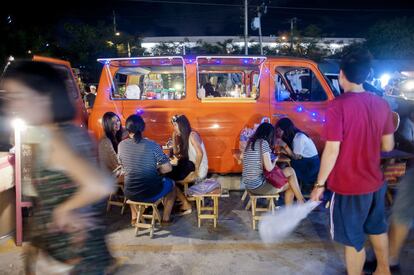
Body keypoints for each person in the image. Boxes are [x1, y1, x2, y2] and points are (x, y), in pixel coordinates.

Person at [1, 61, 115, 274]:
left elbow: (101, 184)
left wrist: (64, 209)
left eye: (17, 97)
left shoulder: (57, 138)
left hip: (74, 258)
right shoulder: (68, 131)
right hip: (73, 252)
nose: (12, 105)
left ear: (44, 97)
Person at [310, 49, 395, 275]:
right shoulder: (382, 104)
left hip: (349, 186)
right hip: (376, 182)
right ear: (366, 75)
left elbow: (331, 150)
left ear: (341, 75)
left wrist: (319, 185)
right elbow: (387, 146)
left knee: (353, 239)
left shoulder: (338, 106)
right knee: (377, 227)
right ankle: (383, 270)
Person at [118, 114, 188, 225]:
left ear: (127, 129)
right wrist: (155, 170)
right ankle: (165, 219)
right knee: (172, 185)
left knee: (131, 182)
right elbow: (168, 168)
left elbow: (124, 165)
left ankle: (134, 217)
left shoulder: (121, 145)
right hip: (149, 192)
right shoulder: (151, 145)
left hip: (129, 193)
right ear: (143, 128)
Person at [242, 122, 305, 205]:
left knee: (290, 170)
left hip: (249, 185)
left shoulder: (250, 143)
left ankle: (301, 202)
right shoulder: (263, 143)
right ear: (270, 134)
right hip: (258, 187)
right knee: (291, 184)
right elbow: (269, 168)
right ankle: (297, 207)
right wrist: (275, 160)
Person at [274, 118, 320, 192]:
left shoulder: (299, 137)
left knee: (286, 167)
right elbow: (295, 154)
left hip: (310, 167)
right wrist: (283, 150)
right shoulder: (295, 137)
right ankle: (288, 188)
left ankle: (289, 188)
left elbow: (296, 157)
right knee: (283, 165)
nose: (278, 133)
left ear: (286, 130)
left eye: (279, 131)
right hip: (306, 162)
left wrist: (285, 145)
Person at [169, 114, 208, 181]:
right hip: (190, 166)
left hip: (198, 169)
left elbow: (200, 153)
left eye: (175, 125)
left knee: (171, 175)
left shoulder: (192, 135)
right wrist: (173, 138)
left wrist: (196, 172)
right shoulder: (184, 137)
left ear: (182, 125)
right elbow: (175, 153)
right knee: (170, 172)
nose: (174, 128)